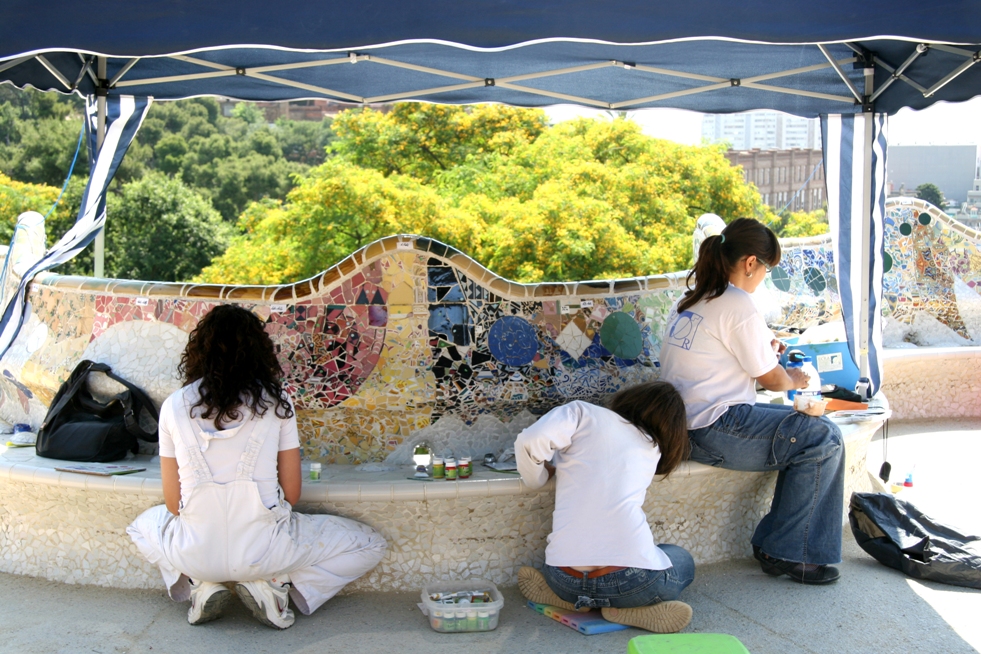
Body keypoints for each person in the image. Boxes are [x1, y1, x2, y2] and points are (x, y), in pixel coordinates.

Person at [128, 305, 387, 628]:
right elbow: (291, 493)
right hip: (267, 551)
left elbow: (172, 504)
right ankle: (275, 584)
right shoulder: (277, 403)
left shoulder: (173, 406)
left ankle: (201, 583)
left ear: (198, 351)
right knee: (371, 543)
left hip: (193, 552)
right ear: (259, 351)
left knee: (139, 527)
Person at [659, 217, 844, 585]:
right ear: (749, 263)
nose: (763, 278)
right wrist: (796, 379)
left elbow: (724, 365)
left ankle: (778, 544)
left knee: (807, 431)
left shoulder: (691, 299)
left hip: (682, 426)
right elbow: (771, 380)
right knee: (823, 437)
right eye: (766, 269)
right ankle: (790, 552)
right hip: (716, 427)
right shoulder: (737, 302)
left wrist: (766, 352)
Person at [514, 381, 695, 633]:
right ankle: (628, 609)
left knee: (655, 555)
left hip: (562, 578)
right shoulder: (652, 447)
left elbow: (530, 440)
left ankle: (573, 601)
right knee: (680, 558)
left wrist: (538, 478)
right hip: (632, 584)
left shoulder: (583, 413)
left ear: (628, 400)